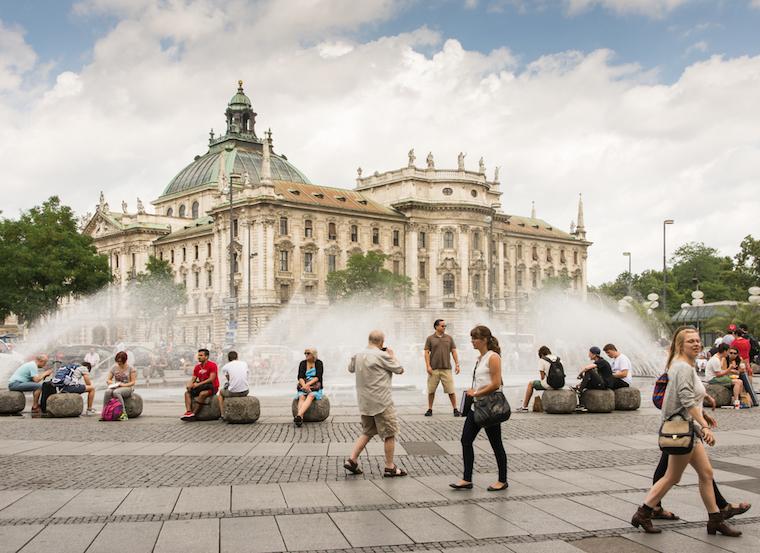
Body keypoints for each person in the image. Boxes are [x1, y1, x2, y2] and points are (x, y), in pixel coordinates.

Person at [630, 326, 741, 537]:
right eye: (691, 341)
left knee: (705, 474)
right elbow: (686, 399)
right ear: (680, 345)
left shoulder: (684, 365)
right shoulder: (682, 367)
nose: (697, 344)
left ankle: (715, 520)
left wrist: (703, 415)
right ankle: (643, 512)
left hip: (689, 427)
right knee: (672, 476)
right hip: (682, 429)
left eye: (698, 340)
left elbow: (690, 398)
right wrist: (705, 425)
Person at [450, 325, 508, 492]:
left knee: (496, 443)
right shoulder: (480, 358)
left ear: (484, 340)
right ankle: (466, 479)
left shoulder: (493, 357)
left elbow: (496, 384)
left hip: (489, 406)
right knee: (466, 440)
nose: (472, 341)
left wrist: (476, 392)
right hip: (477, 406)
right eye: (471, 338)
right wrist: (474, 394)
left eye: (475, 338)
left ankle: (502, 480)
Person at [344, 330, 407, 477]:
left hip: (364, 402)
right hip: (382, 402)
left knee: (367, 431)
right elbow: (400, 369)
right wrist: (392, 355)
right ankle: (390, 467)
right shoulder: (383, 355)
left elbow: (350, 369)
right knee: (390, 433)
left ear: (369, 340)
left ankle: (352, 460)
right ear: (381, 343)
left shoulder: (357, 355)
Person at [423, 319, 461, 417]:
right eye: (442, 326)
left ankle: (455, 409)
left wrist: (457, 364)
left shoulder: (449, 338)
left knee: (451, 390)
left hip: (446, 368)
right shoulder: (430, 338)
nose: (444, 327)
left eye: (445, 326)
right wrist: (428, 366)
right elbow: (426, 353)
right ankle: (430, 409)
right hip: (434, 369)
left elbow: (454, 351)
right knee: (431, 390)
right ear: (436, 327)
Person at [517, 345, 559, 412]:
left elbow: (542, 378)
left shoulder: (542, 360)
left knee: (530, 384)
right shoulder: (558, 358)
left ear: (541, 354)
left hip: (550, 384)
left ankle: (524, 407)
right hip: (560, 383)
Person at [181, 348, 219, 421]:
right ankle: (188, 412)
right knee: (187, 393)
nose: (199, 357)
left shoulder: (212, 365)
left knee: (202, 394)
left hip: (212, 387)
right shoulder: (197, 367)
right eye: (198, 355)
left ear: (206, 357)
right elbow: (193, 379)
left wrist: (198, 385)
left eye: (201, 355)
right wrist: (189, 384)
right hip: (202, 386)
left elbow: (212, 379)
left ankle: (194, 414)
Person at [294, 348, 324, 427]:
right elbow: (300, 377)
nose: (306, 355)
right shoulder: (303, 363)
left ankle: (299, 415)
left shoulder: (319, 363)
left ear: (313, 354)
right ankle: (300, 417)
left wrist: (308, 385)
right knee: (301, 397)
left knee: (311, 395)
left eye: (308, 353)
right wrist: (304, 386)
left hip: (314, 386)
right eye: (305, 353)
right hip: (304, 384)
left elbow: (318, 377)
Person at [102, 351, 136, 420]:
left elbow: (133, 382)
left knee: (116, 392)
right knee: (107, 392)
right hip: (116, 386)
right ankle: (105, 413)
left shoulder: (131, 368)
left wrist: (123, 385)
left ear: (125, 360)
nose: (119, 363)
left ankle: (123, 413)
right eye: (117, 361)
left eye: (120, 361)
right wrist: (112, 383)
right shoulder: (114, 367)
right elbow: (108, 379)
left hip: (127, 388)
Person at [218, 350, 249, 415]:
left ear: (228, 358)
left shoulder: (225, 366)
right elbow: (246, 375)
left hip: (233, 392)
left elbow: (229, 379)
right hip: (245, 391)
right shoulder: (244, 363)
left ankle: (222, 414)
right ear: (237, 357)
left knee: (220, 393)